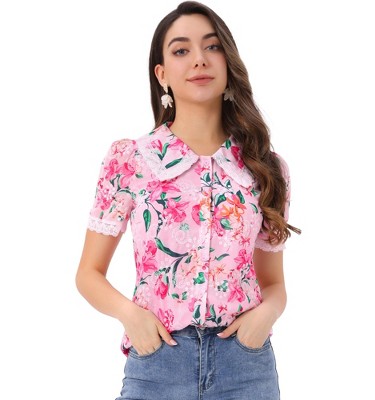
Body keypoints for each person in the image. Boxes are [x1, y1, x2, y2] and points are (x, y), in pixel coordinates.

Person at [76, 1, 301, 399]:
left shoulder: (266, 167)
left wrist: (265, 316)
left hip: (246, 367)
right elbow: (88, 274)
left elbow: (274, 283)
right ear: (162, 74)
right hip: (158, 362)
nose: (199, 59)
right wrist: (131, 317)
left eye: (212, 47)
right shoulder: (130, 160)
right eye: (181, 50)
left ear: (228, 62)